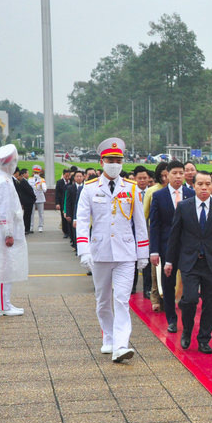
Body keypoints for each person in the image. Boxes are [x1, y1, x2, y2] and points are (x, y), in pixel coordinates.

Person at [76, 137, 149, 363]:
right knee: (102, 300)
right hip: (100, 252)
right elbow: (81, 220)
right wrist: (84, 250)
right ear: (101, 161)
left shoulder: (132, 188)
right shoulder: (89, 189)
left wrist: (143, 253)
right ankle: (108, 337)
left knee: (121, 299)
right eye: (110, 159)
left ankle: (120, 345)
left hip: (126, 253)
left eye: (118, 160)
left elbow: (140, 222)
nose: (115, 164)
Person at [165, 171, 212, 353]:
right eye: (200, 184)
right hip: (190, 262)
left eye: (208, 184)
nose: (204, 187)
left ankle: (203, 339)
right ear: (193, 185)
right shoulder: (184, 207)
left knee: (210, 303)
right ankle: (187, 330)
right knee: (191, 299)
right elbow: (175, 236)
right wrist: (169, 261)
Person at [150, 160, 194, 333]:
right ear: (166, 175)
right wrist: (154, 251)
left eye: (181, 173)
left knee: (190, 281)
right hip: (167, 247)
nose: (178, 176)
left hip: (188, 247)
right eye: (174, 173)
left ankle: (185, 307)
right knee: (168, 284)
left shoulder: (191, 194)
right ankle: (172, 319)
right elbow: (155, 225)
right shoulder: (159, 196)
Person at [0, 145, 28, 316]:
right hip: (4, 234)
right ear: (9, 163)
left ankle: (4, 303)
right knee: (4, 269)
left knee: (3, 268)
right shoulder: (3, 183)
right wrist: (8, 233)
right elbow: (2, 210)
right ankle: (3, 306)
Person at [144, 162, 169, 311]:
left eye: (168, 175)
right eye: (163, 176)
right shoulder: (153, 191)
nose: (165, 179)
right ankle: (156, 297)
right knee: (156, 269)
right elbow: (144, 214)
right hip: (156, 232)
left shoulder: (181, 192)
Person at [132, 165, 152, 297]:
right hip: (133, 232)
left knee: (147, 261)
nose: (143, 181)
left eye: (145, 178)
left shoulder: (152, 193)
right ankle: (132, 287)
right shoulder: (131, 192)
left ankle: (147, 289)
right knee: (132, 261)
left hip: (149, 231)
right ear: (135, 179)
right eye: (140, 178)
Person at [64, 169, 85, 251]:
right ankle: (76, 246)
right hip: (74, 211)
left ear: (83, 177)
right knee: (74, 230)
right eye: (77, 176)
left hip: (83, 211)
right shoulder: (70, 188)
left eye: (80, 176)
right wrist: (68, 214)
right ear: (74, 178)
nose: (79, 178)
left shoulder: (86, 187)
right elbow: (68, 201)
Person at [15, 168, 36, 234]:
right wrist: (34, 196)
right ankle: (26, 228)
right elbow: (29, 191)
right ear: (23, 174)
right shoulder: (23, 182)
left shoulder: (24, 181)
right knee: (27, 215)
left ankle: (28, 228)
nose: (28, 174)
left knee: (28, 215)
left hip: (29, 200)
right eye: (27, 173)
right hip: (27, 201)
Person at [29, 165, 48, 232]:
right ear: (33, 173)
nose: (36, 174)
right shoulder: (30, 179)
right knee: (31, 213)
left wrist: (42, 186)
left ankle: (40, 226)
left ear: (40, 173)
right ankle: (30, 226)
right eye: (35, 172)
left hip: (40, 198)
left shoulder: (42, 180)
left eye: (37, 173)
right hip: (32, 198)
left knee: (41, 213)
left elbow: (45, 189)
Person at [55, 168, 71, 239]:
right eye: (66, 176)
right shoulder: (59, 182)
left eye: (68, 176)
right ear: (63, 175)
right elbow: (56, 194)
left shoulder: (71, 182)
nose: (67, 178)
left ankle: (70, 231)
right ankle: (65, 232)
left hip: (69, 202)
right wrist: (57, 203)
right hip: (62, 202)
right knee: (63, 217)